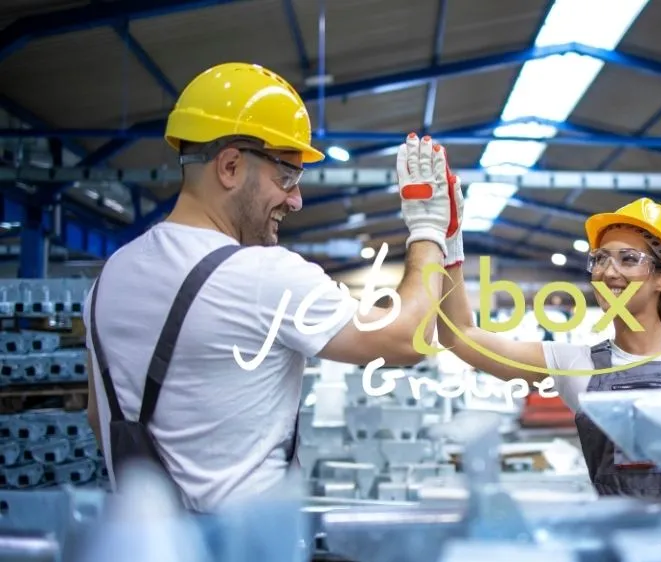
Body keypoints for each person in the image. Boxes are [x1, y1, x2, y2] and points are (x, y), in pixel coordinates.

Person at [82, 62, 457, 512]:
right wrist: (428, 231)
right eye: (287, 176)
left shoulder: (108, 281)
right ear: (231, 166)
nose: (295, 200)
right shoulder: (261, 276)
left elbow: (98, 418)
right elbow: (409, 337)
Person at [433, 172, 661, 501]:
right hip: (616, 545)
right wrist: (449, 242)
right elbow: (459, 336)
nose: (608, 272)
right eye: (601, 258)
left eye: (629, 259)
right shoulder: (577, 366)